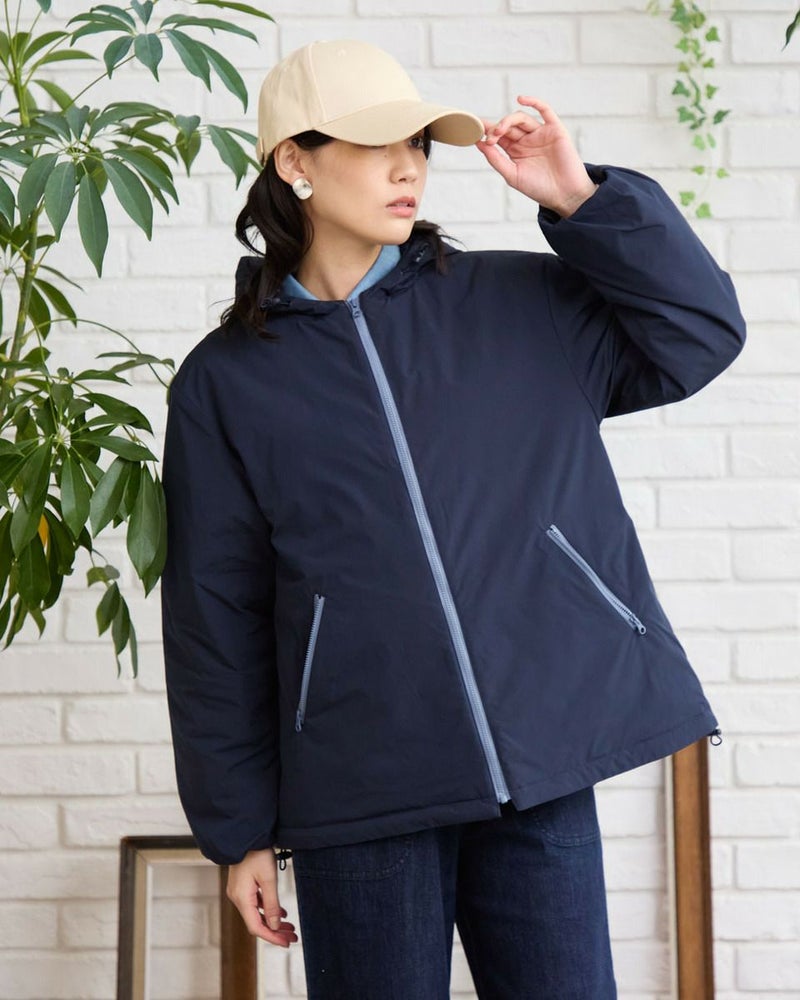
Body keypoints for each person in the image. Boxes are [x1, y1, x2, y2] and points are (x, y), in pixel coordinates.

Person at [160, 38, 745, 1000]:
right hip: (363, 787)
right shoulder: (225, 384)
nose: (409, 168)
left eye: (420, 144)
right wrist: (239, 831)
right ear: (295, 161)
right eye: (376, 144)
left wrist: (579, 199)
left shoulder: (521, 304)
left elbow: (701, 331)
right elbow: (212, 619)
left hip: (542, 765)